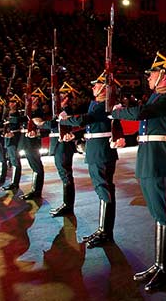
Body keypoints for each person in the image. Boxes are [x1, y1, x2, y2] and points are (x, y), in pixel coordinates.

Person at [111, 52, 166, 292]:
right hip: (148, 158)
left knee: (164, 215)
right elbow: (144, 123)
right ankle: (159, 264)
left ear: (164, 75)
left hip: (159, 160)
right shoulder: (155, 98)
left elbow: (141, 114)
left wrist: (118, 111)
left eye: (153, 73)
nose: (149, 77)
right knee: (157, 214)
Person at [58, 73, 124, 248]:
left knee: (104, 189)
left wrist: (66, 120)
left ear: (105, 88)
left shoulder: (104, 105)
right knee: (101, 189)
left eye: (97, 85)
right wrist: (75, 132)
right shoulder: (96, 104)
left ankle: (106, 232)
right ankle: (102, 229)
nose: (93, 87)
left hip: (101, 152)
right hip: (96, 150)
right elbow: (89, 125)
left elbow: (87, 119)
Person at [37, 82, 81, 216]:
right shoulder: (58, 110)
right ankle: (66, 204)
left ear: (67, 98)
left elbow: (54, 123)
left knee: (66, 175)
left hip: (64, 145)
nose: (58, 97)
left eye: (62, 95)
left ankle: (68, 205)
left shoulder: (66, 111)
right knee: (64, 174)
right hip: (58, 144)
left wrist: (41, 124)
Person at [18, 89, 48, 200]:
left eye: (34, 97)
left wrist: (37, 132)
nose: (31, 99)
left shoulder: (39, 111)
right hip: (26, 141)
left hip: (33, 142)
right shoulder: (26, 111)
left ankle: (37, 190)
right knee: (33, 165)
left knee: (36, 165)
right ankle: (35, 190)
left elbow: (43, 127)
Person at [0, 95, 25, 191]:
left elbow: (17, 123)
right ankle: (13, 182)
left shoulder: (17, 114)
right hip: (8, 138)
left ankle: (15, 183)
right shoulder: (7, 114)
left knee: (15, 161)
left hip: (14, 139)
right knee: (12, 160)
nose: (10, 104)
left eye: (12, 102)